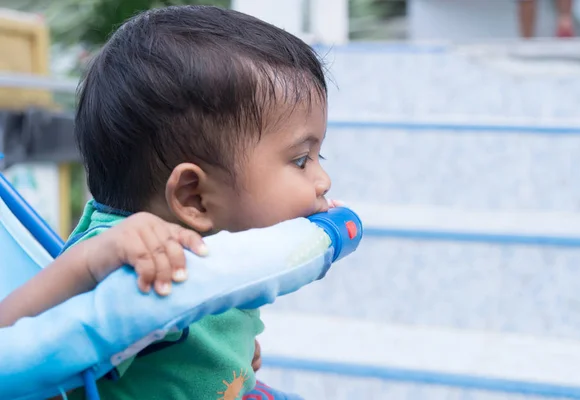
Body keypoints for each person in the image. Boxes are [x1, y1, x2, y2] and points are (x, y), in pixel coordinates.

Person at [0, 5, 336, 399]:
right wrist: (88, 263)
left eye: (319, 158)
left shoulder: (224, 249)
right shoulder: (126, 257)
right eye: (300, 161)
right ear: (194, 196)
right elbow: (11, 343)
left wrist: (232, 355)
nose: (323, 181)